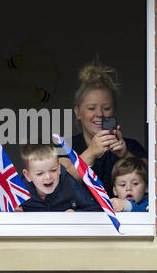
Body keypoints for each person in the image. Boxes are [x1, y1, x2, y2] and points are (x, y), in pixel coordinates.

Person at [59, 61, 147, 197]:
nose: (99, 114)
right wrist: (91, 152)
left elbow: (154, 180)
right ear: (77, 112)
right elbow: (59, 186)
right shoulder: (64, 146)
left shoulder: (131, 146)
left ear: (114, 111)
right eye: (91, 108)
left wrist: (125, 154)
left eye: (106, 108)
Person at [17, 142, 102, 212]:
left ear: (59, 168)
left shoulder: (68, 183)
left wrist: (76, 213)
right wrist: (13, 214)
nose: (48, 177)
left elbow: (94, 209)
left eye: (53, 170)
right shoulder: (19, 190)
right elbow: (5, 211)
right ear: (27, 175)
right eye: (39, 174)